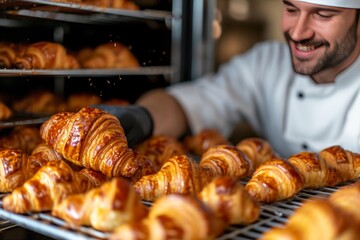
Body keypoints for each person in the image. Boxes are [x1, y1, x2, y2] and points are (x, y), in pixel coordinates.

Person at [96, 0, 360, 158]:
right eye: (291, 9)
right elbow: (196, 101)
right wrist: (143, 118)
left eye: (323, 15)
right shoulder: (267, 63)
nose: (299, 32)